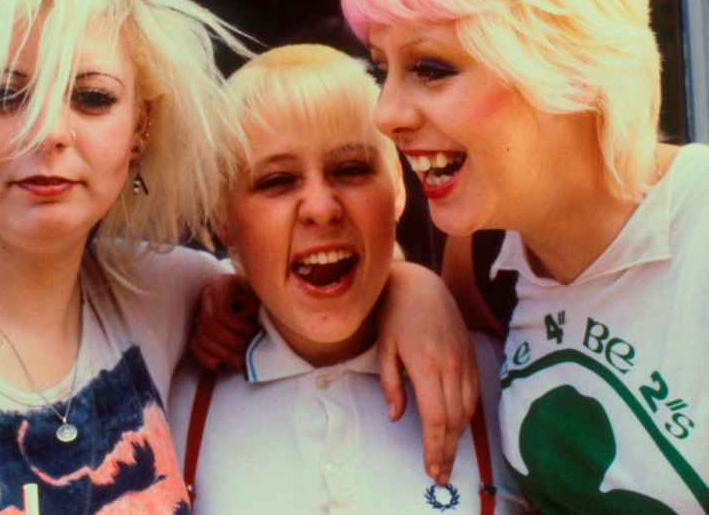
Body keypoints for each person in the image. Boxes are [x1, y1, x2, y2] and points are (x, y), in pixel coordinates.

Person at [340, 0, 709, 513]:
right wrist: (411, 285)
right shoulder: (486, 255)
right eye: (382, 69)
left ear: (568, 61)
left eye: (430, 69)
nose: (385, 114)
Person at [0, 0, 251, 512]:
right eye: (5, 95)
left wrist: (411, 293)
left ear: (141, 125)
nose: (48, 131)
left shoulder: (176, 290)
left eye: (92, 97)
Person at [169, 43, 529, 514]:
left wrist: (416, 282)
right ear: (222, 218)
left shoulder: (506, 371)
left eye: (352, 169)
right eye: (276, 181)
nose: (321, 208)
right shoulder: (169, 395)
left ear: (399, 188)